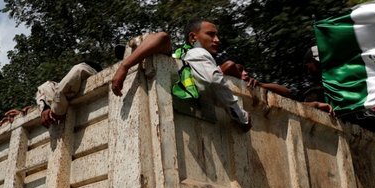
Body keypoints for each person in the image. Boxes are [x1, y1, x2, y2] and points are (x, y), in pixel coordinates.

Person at [111, 19, 254, 131]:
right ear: (193, 38)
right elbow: (214, 80)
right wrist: (241, 115)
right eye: (211, 34)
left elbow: (162, 38)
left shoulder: (183, 57)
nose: (217, 40)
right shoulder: (199, 52)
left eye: (216, 35)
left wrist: (125, 65)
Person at [35, 61, 102, 127]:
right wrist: (45, 107)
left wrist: (56, 110)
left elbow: (79, 69)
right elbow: (45, 87)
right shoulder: (60, 89)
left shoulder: (81, 69)